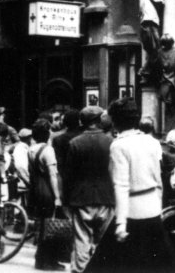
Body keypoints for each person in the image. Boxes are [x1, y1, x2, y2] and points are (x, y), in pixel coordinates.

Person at [87, 97, 174, 273]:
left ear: (115, 121)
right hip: (152, 209)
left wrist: (120, 223)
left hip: (130, 212)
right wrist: (157, 204)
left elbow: (121, 185)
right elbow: (158, 179)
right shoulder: (152, 142)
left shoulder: (119, 146)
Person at [65, 106, 115, 273]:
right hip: (106, 198)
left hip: (81, 198)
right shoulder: (111, 143)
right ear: (99, 121)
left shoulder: (75, 143)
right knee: (104, 245)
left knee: (81, 242)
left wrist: (66, 201)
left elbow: (69, 176)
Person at [28, 118, 66, 270]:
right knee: (50, 225)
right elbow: (52, 174)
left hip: (36, 189)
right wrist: (57, 197)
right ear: (46, 133)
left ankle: (40, 259)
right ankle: (49, 261)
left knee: (43, 225)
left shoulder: (31, 149)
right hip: (47, 191)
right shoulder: (48, 150)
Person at [138, 0, 164, 83]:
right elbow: (158, 0)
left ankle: (145, 70)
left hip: (146, 23)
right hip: (150, 22)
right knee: (157, 48)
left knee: (153, 50)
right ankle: (145, 70)